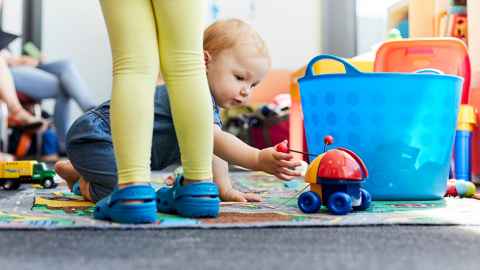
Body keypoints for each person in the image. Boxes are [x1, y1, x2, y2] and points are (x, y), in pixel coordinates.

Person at [55, 19, 301, 221]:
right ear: (205, 61)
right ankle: (82, 182)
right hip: (97, 137)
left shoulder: (208, 104)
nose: (247, 90)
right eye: (239, 77)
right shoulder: (188, 92)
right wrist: (257, 158)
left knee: (135, 189)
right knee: (131, 197)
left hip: (110, 147)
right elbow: (215, 139)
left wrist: (224, 189)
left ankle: (86, 171)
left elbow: (210, 148)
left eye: (253, 84)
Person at [3, 50, 97, 153]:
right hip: (6, 69)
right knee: (64, 86)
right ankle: (94, 115)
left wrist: (30, 60)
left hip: (24, 65)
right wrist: (18, 60)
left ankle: (92, 113)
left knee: (66, 65)